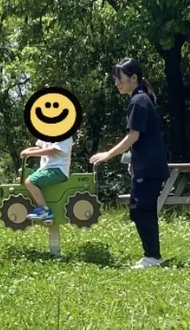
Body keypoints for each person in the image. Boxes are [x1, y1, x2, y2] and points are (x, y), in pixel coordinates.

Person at [90, 58, 170, 269]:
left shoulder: (139, 101)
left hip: (149, 167)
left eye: (120, 78)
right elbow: (143, 138)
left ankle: (152, 257)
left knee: (139, 210)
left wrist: (108, 154)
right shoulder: (141, 99)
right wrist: (132, 160)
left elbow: (133, 136)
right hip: (149, 165)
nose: (117, 83)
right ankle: (153, 256)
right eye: (115, 79)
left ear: (134, 78)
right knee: (144, 209)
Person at [20, 137, 73, 221]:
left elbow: (52, 151)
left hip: (58, 170)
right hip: (47, 169)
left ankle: (44, 211)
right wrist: (28, 151)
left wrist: (30, 153)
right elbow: (40, 148)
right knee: (29, 178)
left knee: (30, 181)